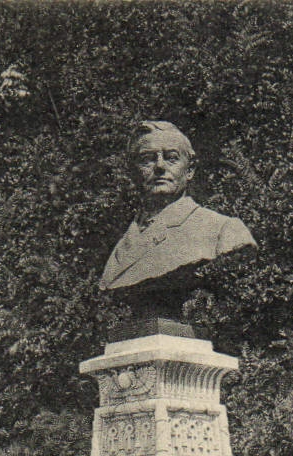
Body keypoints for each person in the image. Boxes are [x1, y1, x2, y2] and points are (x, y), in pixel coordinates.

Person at [98, 121, 255, 316]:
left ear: (190, 170)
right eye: (148, 159)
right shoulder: (122, 242)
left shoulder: (223, 230)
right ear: (133, 172)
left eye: (171, 158)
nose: (160, 166)